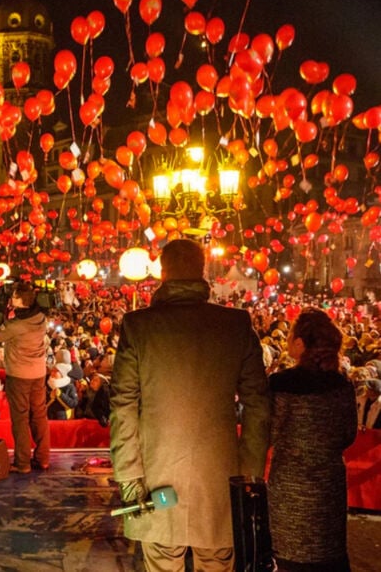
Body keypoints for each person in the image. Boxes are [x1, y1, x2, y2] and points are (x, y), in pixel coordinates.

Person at [110, 238, 270, 571]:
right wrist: (248, 474)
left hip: (156, 475)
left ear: (163, 273)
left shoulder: (138, 326)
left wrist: (129, 476)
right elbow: (258, 405)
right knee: (217, 561)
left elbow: (122, 406)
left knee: (162, 561)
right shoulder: (235, 325)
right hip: (221, 477)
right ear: (203, 271)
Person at [268, 308, 357, 571]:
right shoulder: (341, 385)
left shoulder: (281, 384)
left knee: (289, 556)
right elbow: (347, 434)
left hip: (289, 487)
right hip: (329, 484)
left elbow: (270, 431)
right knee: (326, 555)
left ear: (300, 343)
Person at [0, 281, 51, 474]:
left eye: (14, 296)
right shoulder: (40, 317)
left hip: (19, 375)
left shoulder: (17, 325)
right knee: (39, 415)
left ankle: (23, 462)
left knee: (20, 418)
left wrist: (0, 309)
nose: (11, 298)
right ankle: (42, 458)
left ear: (22, 301)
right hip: (38, 373)